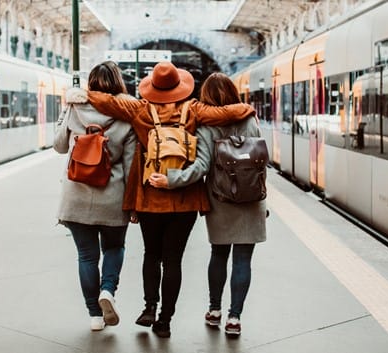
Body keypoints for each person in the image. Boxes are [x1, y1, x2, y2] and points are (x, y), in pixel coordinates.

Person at [67, 61, 256, 338]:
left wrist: (85, 94)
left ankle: (149, 308)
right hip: (186, 199)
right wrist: (245, 108)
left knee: (151, 255)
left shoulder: (140, 109)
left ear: (152, 87)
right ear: (180, 87)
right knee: (173, 261)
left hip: (151, 197)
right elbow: (224, 114)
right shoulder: (193, 109)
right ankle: (165, 320)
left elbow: (110, 103)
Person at [147, 72, 267, 336]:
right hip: (251, 199)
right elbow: (260, 160)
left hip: (221, 198)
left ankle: (214, 311)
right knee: (243, 259)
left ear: (206, 97)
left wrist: (171, 179)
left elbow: (200, 167)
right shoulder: (249, 118)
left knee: (219, 254)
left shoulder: (205, 125)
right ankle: (234, 318)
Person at [54, 61, 137, 332]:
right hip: (112, 195)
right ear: (118, 83)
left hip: (76, 195)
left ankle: (94, 316)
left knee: (87, 257)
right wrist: (133, 202)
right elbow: (130, 164)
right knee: (114, 248)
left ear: (90, 83)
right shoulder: (127, 113)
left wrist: (65, 115)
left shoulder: (75, 106)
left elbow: (59, 146)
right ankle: (108, 291)